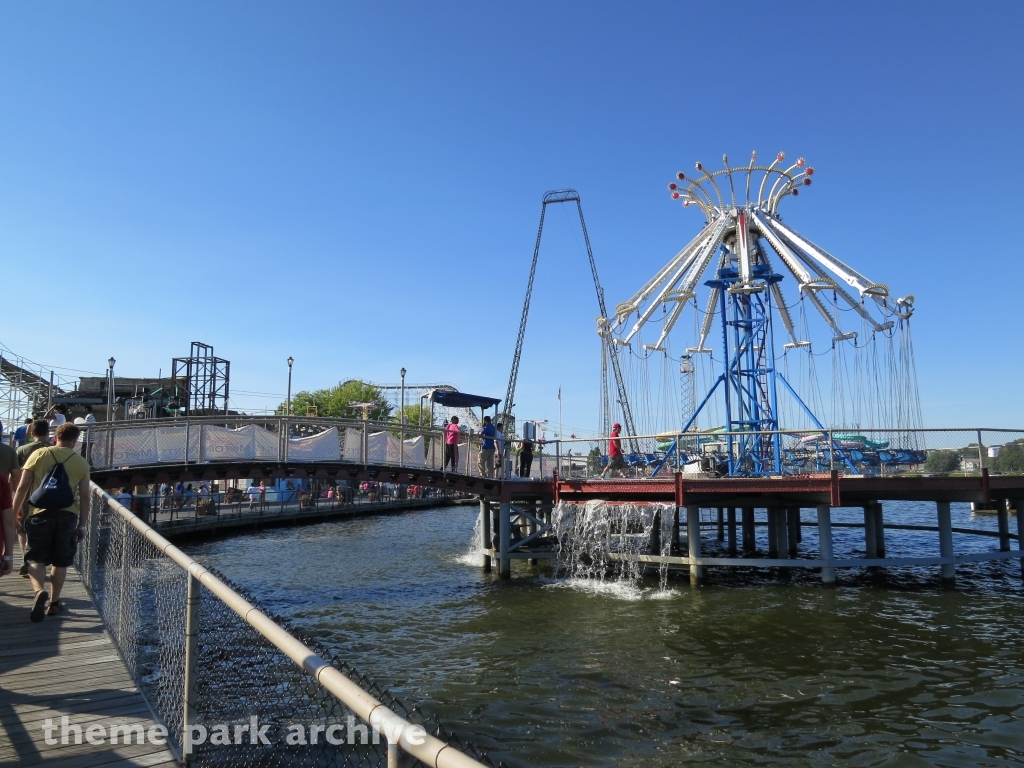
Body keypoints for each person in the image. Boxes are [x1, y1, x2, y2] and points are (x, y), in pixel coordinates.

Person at [6, 423, 91, 621]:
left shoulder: (39, 455)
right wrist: (83, 525)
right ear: (75, 439)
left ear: (55, 437)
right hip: (68, 515)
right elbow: (85, 496)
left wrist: (15, 512)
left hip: (39, 513)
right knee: (61, 560)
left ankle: (38, 592)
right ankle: (54, 602)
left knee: (36, 556)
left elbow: (22, 487)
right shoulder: (81, 462)